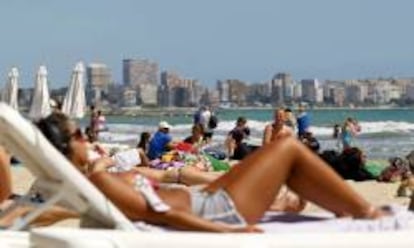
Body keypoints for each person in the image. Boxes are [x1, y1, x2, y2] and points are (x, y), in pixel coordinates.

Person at [36, 112, 389, 232]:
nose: (87, 136)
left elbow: (166, 191)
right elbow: (163, 212)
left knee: (283, 151)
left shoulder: (96, 176)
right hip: (215, 209)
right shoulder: (96, 180)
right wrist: (223, 232)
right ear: (69, 146)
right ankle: (367, 213)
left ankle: (354, 209)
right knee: (287, 149)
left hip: (207, 197)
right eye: (79, 134)